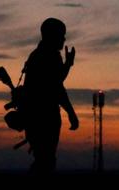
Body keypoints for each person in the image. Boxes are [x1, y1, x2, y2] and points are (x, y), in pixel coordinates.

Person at [22, 17, 79, 175]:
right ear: (52, 36)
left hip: (36, 117)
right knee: (45, 162)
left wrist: (67, 64)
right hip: (44, 117)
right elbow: (56, 85)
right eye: (61, 35)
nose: (64, 39)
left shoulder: (39, 55)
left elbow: (56, 82)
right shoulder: (48, 56)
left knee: (44, 160)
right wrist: (71, 113)